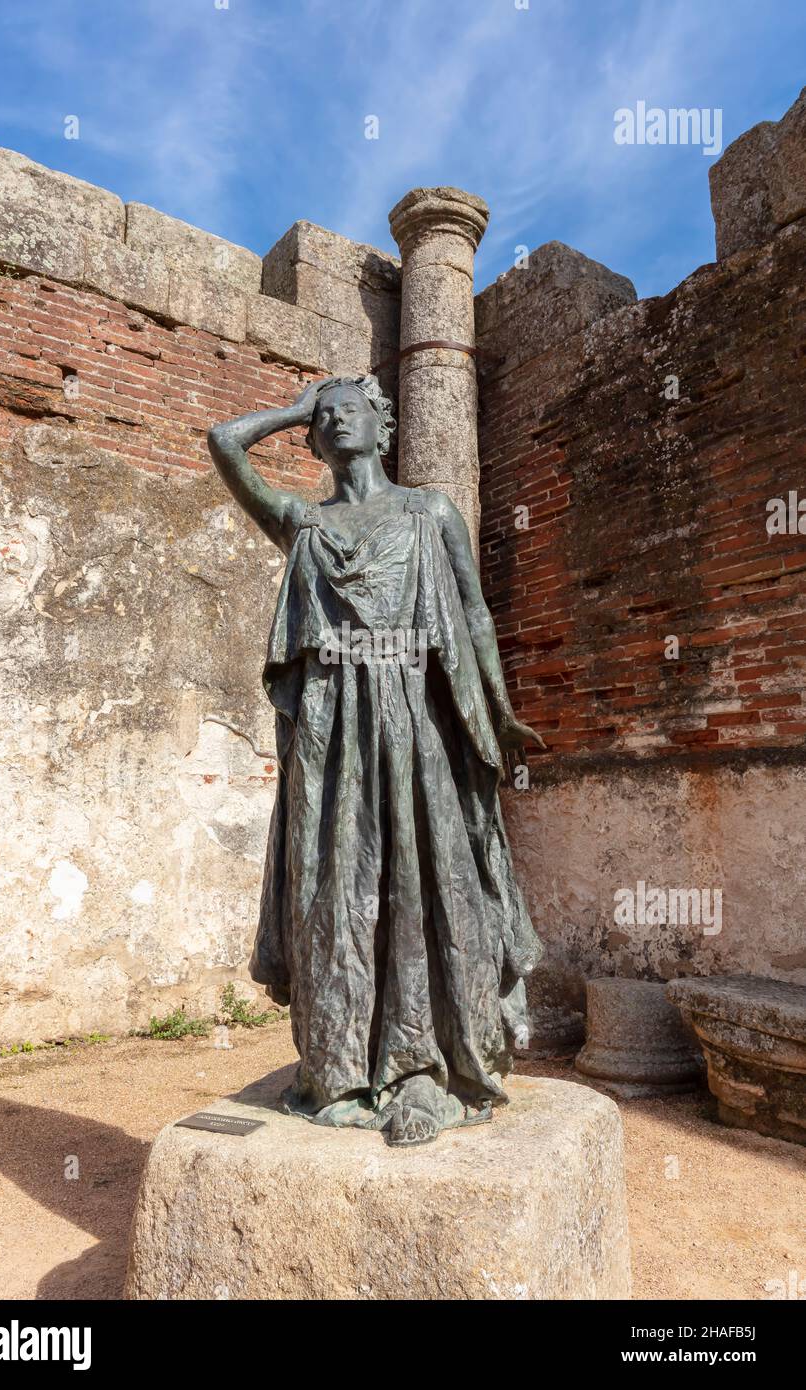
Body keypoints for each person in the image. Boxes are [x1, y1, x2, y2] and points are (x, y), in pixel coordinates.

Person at [208, 374, 545, 1146]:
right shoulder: (304, 522)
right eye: (321, 418)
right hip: (331, 735)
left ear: (382, 425)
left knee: (424, 883)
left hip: (414, 719)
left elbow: (475, 616)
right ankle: (340, 1066)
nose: (332, 419)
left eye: (346, 407)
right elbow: (224, 443)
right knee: (335, 888)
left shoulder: (429, 511)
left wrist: (499, 711)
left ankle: (422, 1071)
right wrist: (297, 406)